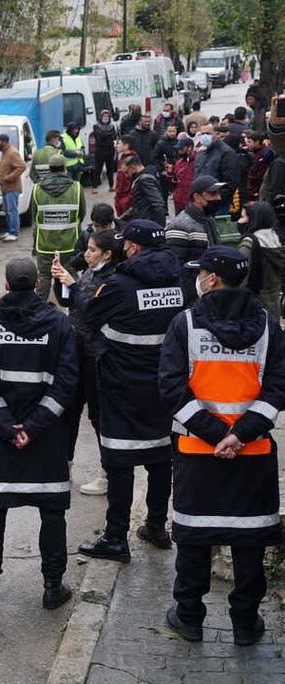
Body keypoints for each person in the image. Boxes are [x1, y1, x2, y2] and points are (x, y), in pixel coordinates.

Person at [159, 246, 285, 646]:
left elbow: (171, 387)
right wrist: (241, 434)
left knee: (195, 537)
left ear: (212, 279)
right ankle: (245, 624)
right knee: (247, 540)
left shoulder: (185, 324)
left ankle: (190, 617)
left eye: (202, 272)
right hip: (253, 455)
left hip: (199, 453)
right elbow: (278, 387)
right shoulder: (268, 326)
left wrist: (215, 434)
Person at [0, 257, 77, 609]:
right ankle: (53, 587)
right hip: (46, 437)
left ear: (7, 284)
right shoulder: (58, 324)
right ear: (36, 286)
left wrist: (8, 428)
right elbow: (67, 382)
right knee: (52, 512)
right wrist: (35, 426)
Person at [78, 220, 183, 564]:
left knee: (119, 461)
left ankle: (115, 537)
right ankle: (155, 525)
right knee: (159, 456)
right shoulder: (180, 281)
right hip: (165, 386)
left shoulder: (118, 286)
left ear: (134, 248)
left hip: (121, 386)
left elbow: (87, 317)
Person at [51, 228, 118, 496]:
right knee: (68, 411)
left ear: (108, 254)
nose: (86, 255)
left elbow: (90, 308)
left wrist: (73, 283)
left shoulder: (112, 279)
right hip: (76, 351)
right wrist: (61, 281)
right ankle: (63, 464)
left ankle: (107, 472)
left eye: (92, 250)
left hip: (96, 354)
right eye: (87, 249)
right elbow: (70, 302)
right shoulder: (90, 272)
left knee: (98, 415)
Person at [29, 155, 85, 298]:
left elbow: (35, 217)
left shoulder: (37, 189)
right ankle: (76, 305)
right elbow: (81, 214)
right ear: (64, 169)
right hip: (70, 242)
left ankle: (40, 307)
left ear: (49, 169)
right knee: (71, 274)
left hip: (45, 244)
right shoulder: (76, 188)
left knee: (44, 276)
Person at [167, 174, 224, 307]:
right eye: (212, 194)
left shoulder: (209, 220)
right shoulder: (180, 225)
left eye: (218, 194)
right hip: (193, 297)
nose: (218, 198)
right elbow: (175, 265)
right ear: (197, 197)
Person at [237, 201, 285, 317]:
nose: (239, 221)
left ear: (254, 220)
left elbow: (240, 278)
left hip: (254, 307)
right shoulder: (277, 240)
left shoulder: (249, 244)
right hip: (274, 304)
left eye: (243, 217)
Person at [118, 155, 166, 227]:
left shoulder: (144, 180)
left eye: (126, 172)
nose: (126, 176)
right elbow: (137, 205)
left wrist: (159, 227)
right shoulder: (142, 178)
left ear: (132, 168)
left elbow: (158, 204)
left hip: (147, 224)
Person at [0, 133, 27, 241]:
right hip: (5, 188)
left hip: (12, 187)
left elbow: (22, 166)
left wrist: (9, 177)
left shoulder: (12, 153)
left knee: (12, 210)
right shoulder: (4, 153)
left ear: (4, 142)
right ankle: (9, 230)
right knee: (7, 210)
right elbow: (3, 169)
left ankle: (14, 232)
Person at [167, 137, 197, 214]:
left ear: (190, 148)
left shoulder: (198, 161)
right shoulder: (179, 163)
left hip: (192, 203)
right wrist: (170, 173)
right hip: (179, 202)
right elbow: (173, 184)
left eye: (181, 148)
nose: (179, 151)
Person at [93, 111, 119, 192]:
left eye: (107, 116)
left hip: (110, 150)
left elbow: (114, 136)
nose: (106, 117)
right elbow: (99, 136)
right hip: (100, 150)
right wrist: (108, 135)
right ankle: (94, 187)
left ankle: (111, 186)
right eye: (104, 116)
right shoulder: (96, 126)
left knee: (110, 169)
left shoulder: (112, 126)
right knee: (98, 169)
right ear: (101, 117)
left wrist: (106, 135)